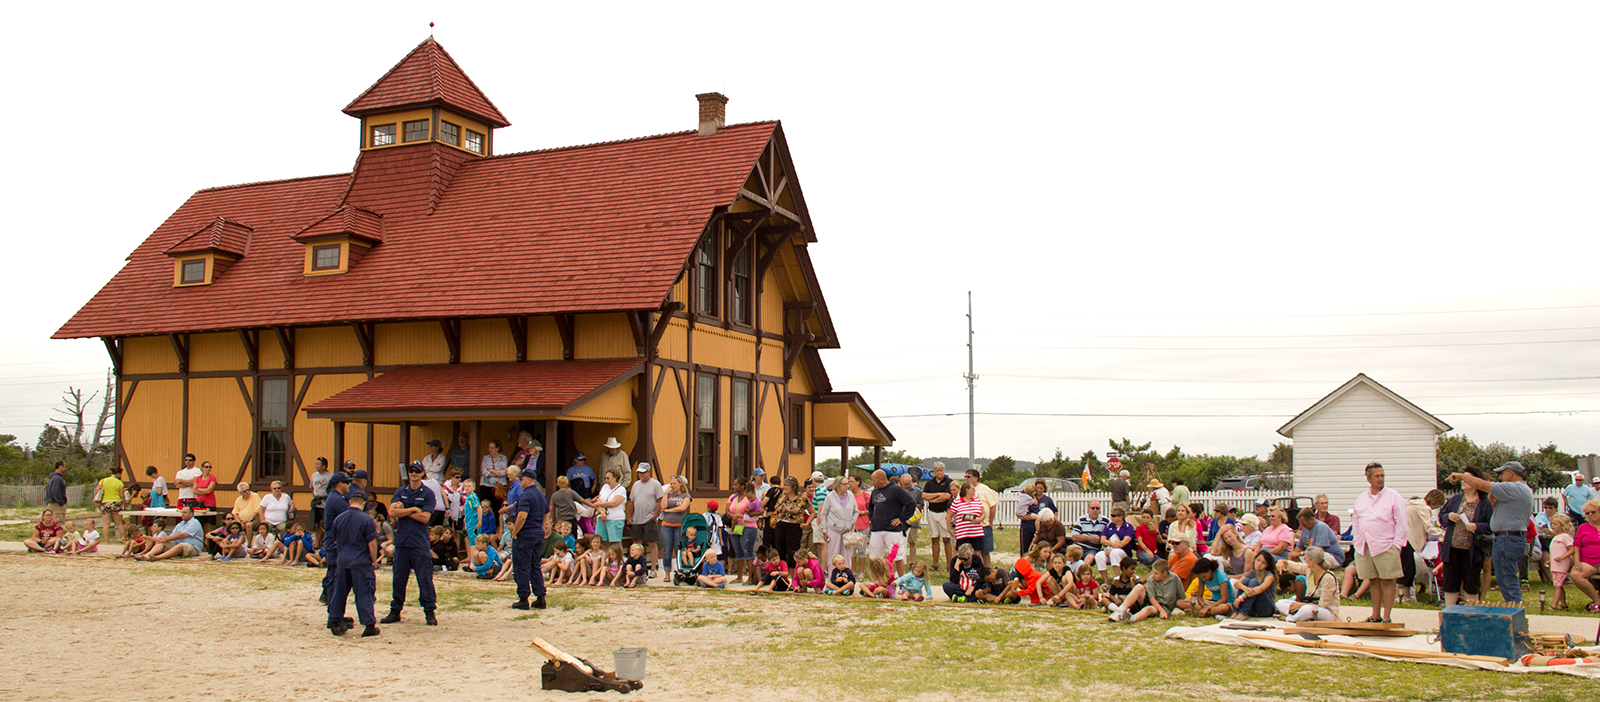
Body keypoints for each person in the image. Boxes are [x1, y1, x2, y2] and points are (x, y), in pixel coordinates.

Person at [1448, 461, 1533, 604]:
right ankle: (1513, 608)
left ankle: (1515, 610)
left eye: (1502, 473)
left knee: (1507, 577)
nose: (1500, 477)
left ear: (1511, 473)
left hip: (1508, 538)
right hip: (1507, 538)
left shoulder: (1514, 488)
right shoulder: (1519, 490)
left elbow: (1482, 485)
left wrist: (1462, 476)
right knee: (1504, 577)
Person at [384, 462, 438, 626]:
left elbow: (425, 518)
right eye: (411, 471)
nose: (414, 473)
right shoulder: (401, 492)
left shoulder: (428, 493)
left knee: (424, 578)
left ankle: (429, 611)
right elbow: (392, 511)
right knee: (399, 578)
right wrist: (413, 509)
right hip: (402, 542)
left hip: (419, 542)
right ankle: (395, 610)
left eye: (417, 471)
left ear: (423, 473)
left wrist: (405, 509)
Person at [1352, 462, 1407, 622]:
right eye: (1377, 476)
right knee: (1373, 580)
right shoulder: (1361, 498)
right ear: (1368, 478)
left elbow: (1402, 523)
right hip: (1365, 545)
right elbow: (1356, 520)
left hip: (1386, 545)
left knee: (1388, 581)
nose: (1380, 479)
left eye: (1382, 475)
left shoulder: (1394, 496)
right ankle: (1375, 615)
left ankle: (1387, 616)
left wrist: (1396, 545)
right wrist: (1357, 540)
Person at [326, 492, 379, 637]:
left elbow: (335, 539)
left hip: (343, 561)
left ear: (350, 502)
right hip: (361, 562)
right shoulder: (367, 520)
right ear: (363, 504)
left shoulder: (339, 518)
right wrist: (373, 560)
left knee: (339, 593)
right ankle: (369, 624)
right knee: (364, 593)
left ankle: (334, 620)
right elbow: (372, 543)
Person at [509, 469, 550, 610]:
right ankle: (540, 597)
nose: (519, 482)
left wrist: (515, 532)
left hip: (526, 534)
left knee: (521, 566)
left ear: (528, 480)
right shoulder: (540, 494)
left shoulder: (525, 496)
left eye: (521, 479)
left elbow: (522, 516)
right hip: (537, 533)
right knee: (534, 566)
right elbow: (547, 512)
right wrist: (543, 525)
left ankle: (523, 598)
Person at [1399, 489, 1446, 602]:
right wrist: (1444, 534)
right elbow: (1428, 527)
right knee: (1408, 571)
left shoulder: (1412, 504)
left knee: (1407, 570)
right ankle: (1404, 598)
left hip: (1403, 538)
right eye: (1437, 505)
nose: (1435, 508)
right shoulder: (1424, 508)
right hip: (1410, 540)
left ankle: (1405, 597)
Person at [1278, 546, 1340, 622]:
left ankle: (1291, 618)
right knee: (1280, 603)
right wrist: (1283, 562)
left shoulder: (1328, 578)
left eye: (1306, 557)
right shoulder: (1309, 570)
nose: (1304, 559)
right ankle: (1298, 615)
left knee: (1306, 609)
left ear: (1312, 561)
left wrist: (1301, 605)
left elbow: (1323, 604)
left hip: (1326, 611)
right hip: (1308, 605)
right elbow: (1295, 566)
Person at [1111, 558, 1182, 623]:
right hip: (1153, 603)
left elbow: (1181, 596)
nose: (1153, 575)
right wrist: (1161, 611)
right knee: (1139, 587)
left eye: (1156, 573)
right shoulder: (1151, 579)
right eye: (1153, 572)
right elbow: (1151, 598)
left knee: (1147, 609)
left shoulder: (1175, 579)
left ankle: (1131, 619)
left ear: (1165, 573)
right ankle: (1119, 611)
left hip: (1166, 607)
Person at [319, 472, 352, 605]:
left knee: (335, 571)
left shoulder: (335, 497)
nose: (349, 485)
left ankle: (327, 595)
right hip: (335, 540)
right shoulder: (337, 500)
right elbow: (350, 516)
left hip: (333, 539)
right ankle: (332, 601)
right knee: (335, 572)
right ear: (340, 484)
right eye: (347, 482)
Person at [627, 464, 665, 574]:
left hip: (649, 519)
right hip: (637, 519)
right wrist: (629, 517)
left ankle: (653, 568)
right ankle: (637, 566)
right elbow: (632, 502)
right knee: (636, 543)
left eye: (643, 472)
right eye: (639, 473)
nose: (641, 475)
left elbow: (660, 502)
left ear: (648, 472)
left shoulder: (655, 484)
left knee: (652, 543)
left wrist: (654, 517)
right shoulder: (636, 485)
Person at [137, 506, 205, 561]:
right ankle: (147, 555)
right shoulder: (181, 524)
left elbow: (182, 534)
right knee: (161, 542)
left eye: (185, 513)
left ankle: (157, 558)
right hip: (178, 544)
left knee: (180, 545)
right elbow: (172, 536)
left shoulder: (195, 523)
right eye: (182, 512)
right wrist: (164, 540)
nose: (183, 514)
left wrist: (166, 539)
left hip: (193, 547)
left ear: (191, 514)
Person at [819, 474, 858, 568]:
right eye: (844, 484)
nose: (847, 486)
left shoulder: (850, 495)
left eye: (847, 483)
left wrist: (852, 522)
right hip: (833, 529)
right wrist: (824, 530)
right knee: (834, 554)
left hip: (847, 530)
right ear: (837, 485)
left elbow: (856, 511)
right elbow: (823, 514)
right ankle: (833, 577)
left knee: (847, 555)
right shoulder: (830, 497)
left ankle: (847, 577)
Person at [1568, 499, 1600, 612]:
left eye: (1593, 512)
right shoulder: (1583, 527)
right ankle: (1597, 601)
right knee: (1575, 574)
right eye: (1587, 513)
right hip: (1588, 562)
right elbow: (1576, 547)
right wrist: (1577, 562)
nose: (1590, 515)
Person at [923, 462, 955, 568]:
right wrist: (938, 494)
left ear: (944, 471)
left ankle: (949, 564)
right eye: (937, 470)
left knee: (946, 539)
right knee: (934, 538)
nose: (939, 472)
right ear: (934, 471)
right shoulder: (929, 483)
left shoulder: (949, 482)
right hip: (932, 513)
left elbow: (946, 496)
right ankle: (935, 564)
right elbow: (924, 495)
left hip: (944, 513)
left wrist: (933, 499)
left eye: (941, 470)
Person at [1230, 553, 1278, 619]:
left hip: (1266, 609)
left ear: (1267, 565)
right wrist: (1244, 588)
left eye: (1263, 562)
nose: (1259, 564)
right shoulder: (1251, 573)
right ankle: (1236, 611)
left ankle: (1243, 613)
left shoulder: (1269, 576)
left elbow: (1260, 589)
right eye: (1258, 560)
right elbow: (1237, 584)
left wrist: (1241, 597)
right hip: (1253, 608)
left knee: (1254, 581)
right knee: (1245, 581)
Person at [659, 475, 693, 570]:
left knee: (679, 548)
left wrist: (668, 511)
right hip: (667, 524)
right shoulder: (669, 494)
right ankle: (667, 571)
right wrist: (666, 494)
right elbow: (663, 506)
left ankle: (680, 568)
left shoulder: (685, 495)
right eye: (671, 484)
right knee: (667, 549)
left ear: (680, 484)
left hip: (679, 525)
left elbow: (682, 508)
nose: (672, 485)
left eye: (674, 483)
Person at [947, 484, 986, 564]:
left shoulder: (977, 501)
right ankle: (959, 570)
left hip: (976, 532)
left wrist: (979, 519)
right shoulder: (957, 502)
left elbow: (983, 513)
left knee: (977, 554)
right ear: (967, 490)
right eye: (972, 489)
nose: (974, 491)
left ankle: (979, 571)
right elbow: (949, 515)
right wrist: (949, 528)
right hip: (963, 533)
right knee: (961, 553)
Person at [1097, 507, 1136, 580]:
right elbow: (1102, 540)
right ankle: (1106, 580)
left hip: (1123, 552)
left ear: (1121, 517)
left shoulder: (1128, 527)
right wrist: (1112, 544)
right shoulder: (1109, 526)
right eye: (1111, 515)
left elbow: (1124, 542)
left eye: (1114, 515)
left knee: (1115, 553)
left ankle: (1117, 578)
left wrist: (1112, 549)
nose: (1111, 517)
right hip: (1108, 550)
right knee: (1099, 555)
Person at [594, 467, 628, 549]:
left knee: (615, 542)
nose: (606, 480)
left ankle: (619, 560)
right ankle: (606, 559)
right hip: (602, 518)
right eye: (605, 478)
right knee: (602, 540)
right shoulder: (605, 487)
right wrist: (602, 512)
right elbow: (599, 499)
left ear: (615, 478)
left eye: (608, 478)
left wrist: (600, 504)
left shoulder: (621, 489)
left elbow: (614, 503)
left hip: (615, 519)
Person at [1547, 515, 1575, 610]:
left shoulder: (1565, 537)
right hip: (1555, 565)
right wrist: (1551, 560)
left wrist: (1562, 558)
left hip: (1561, 565)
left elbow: (1572, 549)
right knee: (1558, 584)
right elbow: (1557, 551)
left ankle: (1554, 605)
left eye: (1555, 524)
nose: (1553, 526)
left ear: (1562, 525)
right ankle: (1563, 604)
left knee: (1557, 586)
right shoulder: (1556, 537)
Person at [94, 466, 127, 541]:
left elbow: (96, 491)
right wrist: (124, 504)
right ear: (118, 474)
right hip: (116, 502)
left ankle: (106, 541)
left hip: (105, 502)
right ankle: (124, 539)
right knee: (119, 523)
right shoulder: (119, 482)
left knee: (106, 523)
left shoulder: (103, 481)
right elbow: (122, 495)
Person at [898, 473, 923, 562]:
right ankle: (902, 559)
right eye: (904, 484)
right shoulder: (899, 491)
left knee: (912, 541)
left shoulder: (917, 491)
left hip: (912, 520)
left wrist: (914, 506)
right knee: (901, 542)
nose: (906, 485)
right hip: (901, 520)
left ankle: (912, 561)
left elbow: (922, 504)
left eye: (908, 483)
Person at [310, 457, 332, 530]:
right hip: (317, 503)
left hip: (326, 503)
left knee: (325, 523)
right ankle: (318, 540)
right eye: (316, 464)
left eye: (318, 464)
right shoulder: (314, 475)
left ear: (324, 466)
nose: (316, 466)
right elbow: (312, 488)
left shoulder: (331, 475)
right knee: (317, 524)